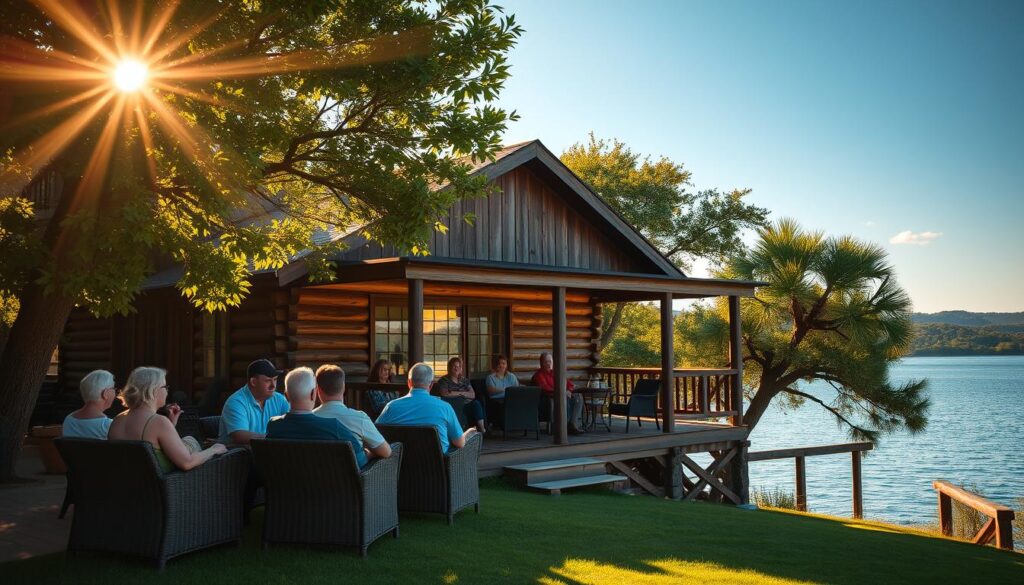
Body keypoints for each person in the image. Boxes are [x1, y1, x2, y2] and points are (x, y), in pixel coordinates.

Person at [108, 367, 226, 471]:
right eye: (165, 386)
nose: (167, 391)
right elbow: (187, 463)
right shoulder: (158, 422)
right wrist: (214, 450)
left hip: (130, 486)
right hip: (163, 489)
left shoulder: (117, 420)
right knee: (191, 441)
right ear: (153, 390)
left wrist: (170, 425)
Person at [266, 367, 368, 467]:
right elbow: (360, 462)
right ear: (313, 393)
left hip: (284, 483)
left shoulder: (273, 426)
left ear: (286, 396)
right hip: (329, 483)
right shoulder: (333, 427)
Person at [376, 362, 476, 453]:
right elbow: (459, 443)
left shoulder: (391, 407)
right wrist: (469, 433)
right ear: (431, 385)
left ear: (409, 383)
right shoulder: (444, 407)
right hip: (437, 469)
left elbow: (376, 434)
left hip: (400, 468)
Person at [312, 364, 391, 461]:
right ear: (343, 387)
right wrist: (368, 454)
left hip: (315, 474)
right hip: (352, 475)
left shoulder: (310, 419)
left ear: (318, 390)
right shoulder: (359, 418)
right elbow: (386, 452)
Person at [218, 358, 290, 445]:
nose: (273, 386)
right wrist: (274, 438)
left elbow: (293, 422)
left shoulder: (279, 399)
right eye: (268, 381)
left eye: (275, 379)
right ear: (253, 382)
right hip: (237, 456)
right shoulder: (236, 402)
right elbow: (240, 436)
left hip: (266, 452)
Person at [531, 352, 585, 435]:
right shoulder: (538, 375)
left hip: (559, 396)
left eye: (550, 361)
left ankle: (572, 424)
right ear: (541, 363)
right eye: (546, 362)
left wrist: (569, 391)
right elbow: (546, 389)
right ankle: (563, 426)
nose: (548, 364)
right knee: (563, 397)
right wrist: (563, 392)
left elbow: (570, 384)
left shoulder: (556, 373)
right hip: (546, 401)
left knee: (578, 396)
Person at [433, 357, 486, 433]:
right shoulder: (444, 380)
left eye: (458, 367)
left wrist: (460, 393)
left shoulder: (464, 380)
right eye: (454, 366)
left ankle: (482, 429)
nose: (456, 368)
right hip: (453, 406)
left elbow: (472, 394)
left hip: (467, 405)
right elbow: (444, 393)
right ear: (449, 367)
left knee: (476, 404)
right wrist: (462, 395)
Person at [61, 370, 117, 439]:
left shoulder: (68, 420)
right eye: (113, 388)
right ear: (105, 394)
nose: (115, 392)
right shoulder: (108, 425)